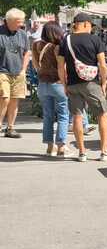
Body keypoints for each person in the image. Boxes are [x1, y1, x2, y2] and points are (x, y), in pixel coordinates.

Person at [57, 12, 107, 162]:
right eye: (91, 26)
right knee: (102, 114)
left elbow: (60, 66)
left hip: (73, 84)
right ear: (86, 24)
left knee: (77, 116)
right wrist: (104, 82)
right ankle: (104, 152)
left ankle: (82, 153)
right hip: (92, 83)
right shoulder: (94, 39)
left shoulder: (65, 40)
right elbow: (102, 64)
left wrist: (64, 84)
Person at [32, 21, 69, 157]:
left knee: (48, 116)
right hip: (58, 83)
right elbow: (62, 68)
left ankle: (49, 147)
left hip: (43, 84)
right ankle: (61, 147)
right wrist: (65, 83)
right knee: (63, 115)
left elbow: (36, 65)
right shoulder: (58, 47)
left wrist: (43, 73)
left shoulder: (36, 45)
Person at [0, 7, 31, 139]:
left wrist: (23, 69)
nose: (21, 24)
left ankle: (10, 128)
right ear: (9, 21)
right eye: (19, 22)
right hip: (2, 71)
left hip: (18, 72)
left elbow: (27, 52)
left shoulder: (22, 34)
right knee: (4, 98)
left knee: (14, 99)